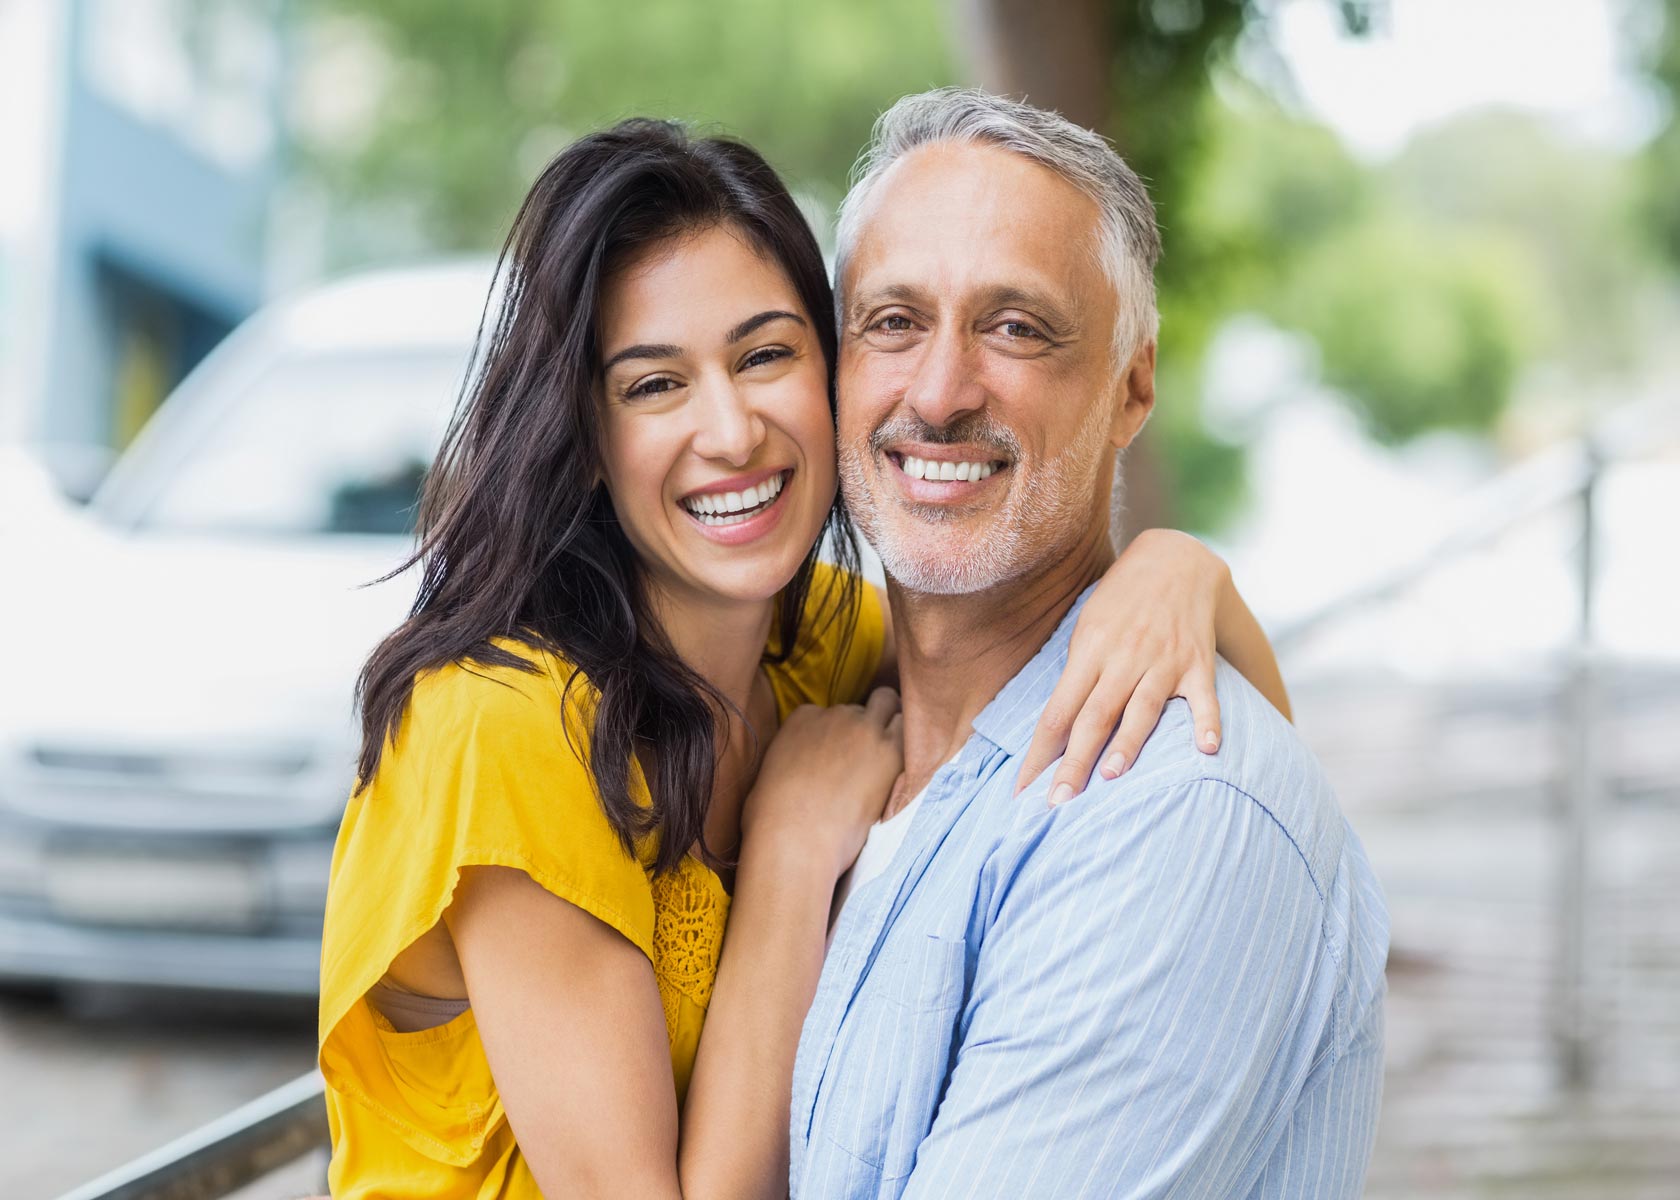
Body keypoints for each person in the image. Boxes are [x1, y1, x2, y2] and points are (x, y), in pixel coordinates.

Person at [317, 118, 1292, 1200]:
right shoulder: (503, 725)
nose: (731, 431)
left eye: (765, 354)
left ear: (832, 370)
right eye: (654, 385)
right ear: (585, 440)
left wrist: (1182, 576)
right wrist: (785, 857)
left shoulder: (821, 641)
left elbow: (1249, 739)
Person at [792, 89, 1389, 1199]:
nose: (939, 389)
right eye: (892, 320)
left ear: (1134, 384)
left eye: (1016, 327)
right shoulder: (803, 705)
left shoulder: (1166, 805)